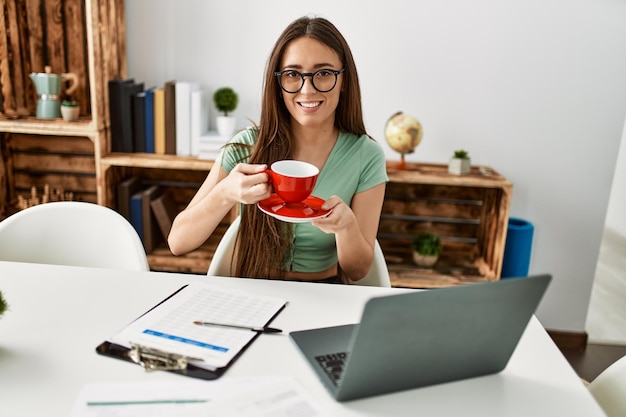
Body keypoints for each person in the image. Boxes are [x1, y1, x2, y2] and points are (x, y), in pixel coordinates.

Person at [168, 16, 388, 283]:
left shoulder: (366, 156)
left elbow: (357, 271)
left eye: (324, 73)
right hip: (251, 289)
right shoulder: (247, 146)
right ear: (278, 83)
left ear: (344, 81)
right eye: (293, 74)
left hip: (326, 292)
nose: (307, 89)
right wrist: (224, 193)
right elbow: (178, 243)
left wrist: (346, 228)